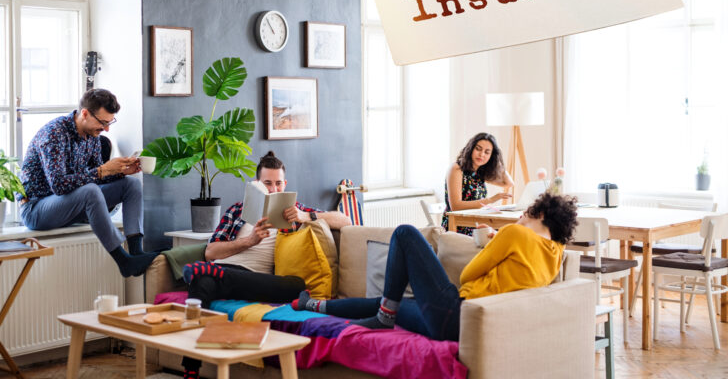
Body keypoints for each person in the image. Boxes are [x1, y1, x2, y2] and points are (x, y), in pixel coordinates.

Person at [292, 193, 578, 342]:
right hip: (464, 329)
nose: (520, 217)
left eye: (525, 213)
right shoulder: (556, 255)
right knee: (390, 305)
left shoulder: (515, 234)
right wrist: (497, 240)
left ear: (538, 213)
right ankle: (313, 305)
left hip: (457, 313)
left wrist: (499, 237)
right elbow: (514, 274)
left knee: (405, 233)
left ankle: (382, 316)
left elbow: (467, 275)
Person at [181, 151, 351, 379]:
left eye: (278, 184)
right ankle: (191, 370)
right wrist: (250, 241)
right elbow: (211, 251)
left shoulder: (296, 212)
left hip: (257, 281)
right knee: (201, 285)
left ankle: (209, 273)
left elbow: (345, 220)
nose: (273, 190)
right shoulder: (238, 211)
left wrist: (305, 216)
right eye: (267, 184)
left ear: (285, 184)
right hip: (225, 269)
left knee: (297, 286)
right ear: (257, 185)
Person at [17, 89, 158, 277]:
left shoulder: (92, 137)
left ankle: (136, 252)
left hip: (70, 206)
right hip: (37, 208)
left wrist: (119, 171)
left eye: (110, 123)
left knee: (131, 185)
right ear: (84, 113)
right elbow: (58, 185)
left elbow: (97, 177)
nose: (106, 129)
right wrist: (103, 170)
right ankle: (123, 261)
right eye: (103, 123)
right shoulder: (53, 134)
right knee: (90, 191)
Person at [444, 132, 514, 235]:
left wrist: (498, 161)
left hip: (476, 224)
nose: (481, 154)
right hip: (458, 227)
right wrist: (490, 200)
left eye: (487, 152)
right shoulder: (457, 168)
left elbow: (508, 183)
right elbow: (456, 206)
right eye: (478, 149)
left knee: (510, 232)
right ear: (471, 149)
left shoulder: (480, 173)